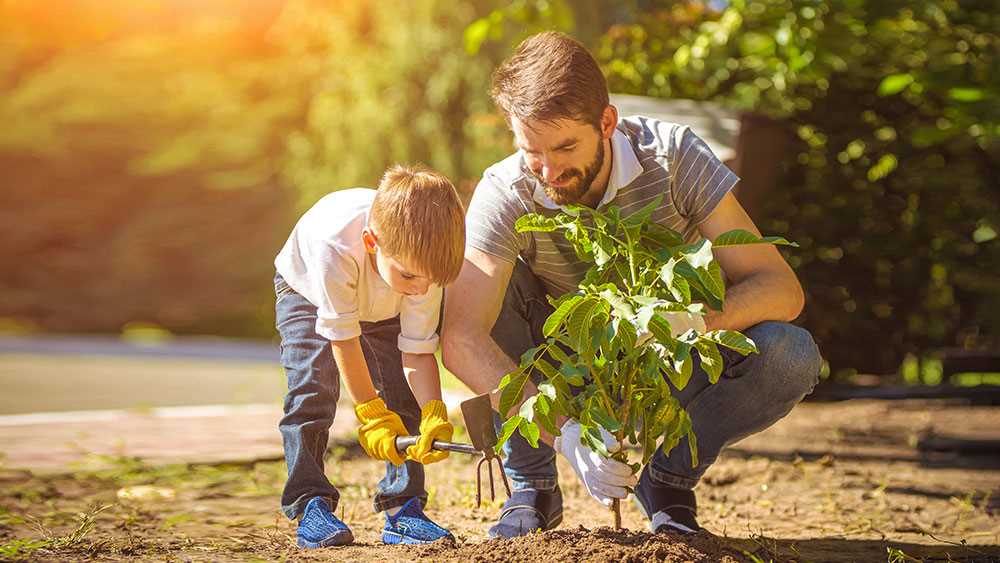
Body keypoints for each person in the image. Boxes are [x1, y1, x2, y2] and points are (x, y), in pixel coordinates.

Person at [441, 31, 822, 538]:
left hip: (666, 359)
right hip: (563, 370)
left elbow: (780, 287)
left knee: (791, 353)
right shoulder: (506, 190)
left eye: (565, 146)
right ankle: (531, 486)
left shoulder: (674, 159)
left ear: (607, 122)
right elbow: (462, 337)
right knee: (488, 285)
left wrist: (693, 320)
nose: (548, 170)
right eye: (532, 150)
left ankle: (666, 481)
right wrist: (566, 433)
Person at [274, 164, 466, 548]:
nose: (422, 289)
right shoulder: (335, 246)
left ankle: (403, 508)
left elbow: (417, 351)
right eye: (412, 277)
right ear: (370, 242)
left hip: (384, 303)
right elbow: (343, 339)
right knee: (312, 389)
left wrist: (433, 411)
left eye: (431, 281)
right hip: (309, 293)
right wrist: (372, 414)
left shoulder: (420, 271)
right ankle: (309, 501)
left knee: (403, 393)